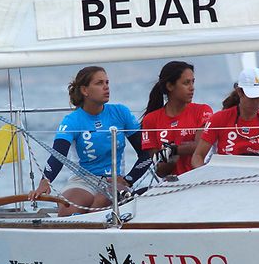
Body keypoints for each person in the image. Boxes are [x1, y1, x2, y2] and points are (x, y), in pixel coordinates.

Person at [28, 66, 149, 216]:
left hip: (115, 181)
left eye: (107, 82)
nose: (106, 87)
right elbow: (58, 155)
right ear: (85, 90)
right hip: (83, 180)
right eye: (99, 83)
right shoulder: (72, 121)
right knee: (66, 210)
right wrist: (45, 182)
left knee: (101, 202)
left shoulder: (121, 112)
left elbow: (146, 154)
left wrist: (128, 180)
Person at [192, 67, 259, 168]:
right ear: (240, 92)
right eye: (253, 97)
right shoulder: (219, 119)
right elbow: (198, 156)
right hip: (222, 179)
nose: (258, 102)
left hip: (255, 178)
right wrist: (206, 177)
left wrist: (254, 161)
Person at [141, 61, 213, 177]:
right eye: (186, 83)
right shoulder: (151, 119)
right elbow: (160, 171)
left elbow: (200, 147)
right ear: (170, 86)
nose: (192, 88)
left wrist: (172, 150)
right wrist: (171, 160)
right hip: (172, 186)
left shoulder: (203, 110)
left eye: (193, 82)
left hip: (201, 180)